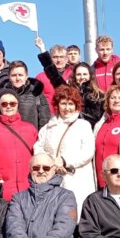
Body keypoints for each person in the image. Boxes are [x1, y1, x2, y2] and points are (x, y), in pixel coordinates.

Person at [34, 85, 96, 217]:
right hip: (53, 179)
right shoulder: (47, 128)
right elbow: (38, 148)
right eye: (63, 103)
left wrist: (64, 161)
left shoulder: (83, 125)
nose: (67, 108)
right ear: (57, 105)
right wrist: (50, 163)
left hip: (77, 179)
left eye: (71, 104)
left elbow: (88, 151)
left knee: (77, 215)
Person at [0, 89, 38, 200]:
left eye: (12, 103)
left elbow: (38, 156)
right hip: (4, 189)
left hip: (29, 188)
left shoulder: (30, 128)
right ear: (0, 107)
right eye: (4, 104)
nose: (8, 106)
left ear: (17, 105)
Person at [0, 61, 52, 130]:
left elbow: (45, 121)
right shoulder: (1, 95)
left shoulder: (36, 93)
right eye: (14, 75)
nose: (17, 78)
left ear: (26, 76)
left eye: (20, 75)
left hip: (31, 138)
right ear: (9, 77)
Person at [33, 39, 69, 104]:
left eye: (61, 57)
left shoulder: (73, 75)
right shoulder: (40, 77)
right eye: (55, 57)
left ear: (66, 59)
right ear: (50, 59)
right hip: (48, 112)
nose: (58, 60)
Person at [70, 62, 105, 127]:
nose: (82, 77)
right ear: (75, 76)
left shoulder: (99, 95)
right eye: (79, 74)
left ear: (90, 75)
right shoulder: (69, 95)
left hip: (93, 131)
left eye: (85, 74)